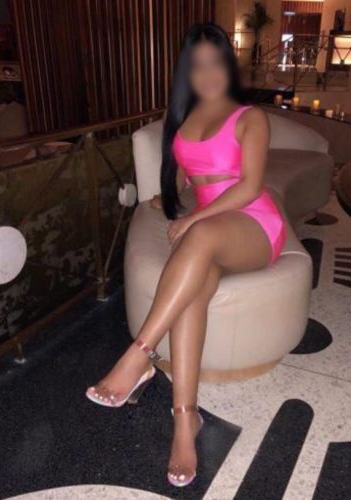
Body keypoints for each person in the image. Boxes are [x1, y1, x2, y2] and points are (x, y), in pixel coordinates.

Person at [86, 22, 286, 488]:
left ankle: (138, 355)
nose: (208, 73)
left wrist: (195, 218)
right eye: (197, 65)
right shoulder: (182, 117)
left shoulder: (251, 117)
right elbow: (184, 174)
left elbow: (249, 187)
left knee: (198, 238)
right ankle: (184, 422)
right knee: (193, 289)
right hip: (211, 230)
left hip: (252, 223)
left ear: (228, 66)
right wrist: (168, 200)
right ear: (186, 73)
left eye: (216, 62)